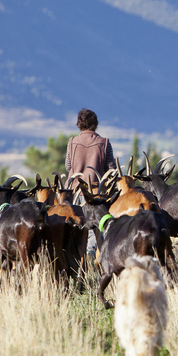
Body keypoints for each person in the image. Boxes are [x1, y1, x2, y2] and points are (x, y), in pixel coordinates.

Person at [65, 108, 115, 259]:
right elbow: (111, 170)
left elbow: (68, 166)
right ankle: (92, 256)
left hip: (76, 191)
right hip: (97, 193)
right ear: (95, 124)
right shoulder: (104, 143)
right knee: (96, 229)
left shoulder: (72, 142)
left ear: (79, 124)